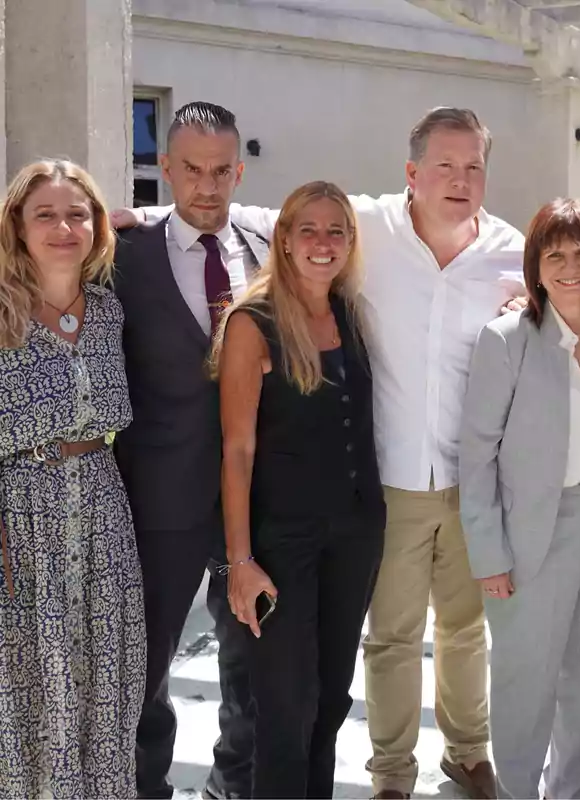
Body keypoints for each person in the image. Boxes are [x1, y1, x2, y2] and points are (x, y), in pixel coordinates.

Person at [120, 106, 580, 800]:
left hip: (472, 481)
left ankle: (466, 751)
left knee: (465, 631)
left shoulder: (513, 252)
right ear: (412, 172)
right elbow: (273, 212)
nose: (459, 180)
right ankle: (392, 772)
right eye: (444, 165)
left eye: (473, 166)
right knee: (391, 637)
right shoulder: (369, 229)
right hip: (386, 481)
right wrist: (142, 217)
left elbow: (568, 282)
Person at [112, 101, 264, 800]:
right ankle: (147, 788)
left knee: (252, 661)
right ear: (165, 169)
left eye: (222, 171)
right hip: (159, 492)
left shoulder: (265, 252)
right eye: (192, 170)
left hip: (255, 498)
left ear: (240, 170)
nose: (207, 186)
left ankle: (233, 786)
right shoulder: (121, 254)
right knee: (145, 665)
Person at [213, 181, 385, 797]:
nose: (322, 242)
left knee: (331, 700)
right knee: (285, 708)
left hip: (355, 535)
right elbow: (236, 450)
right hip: (281, 542)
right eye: (307, 229)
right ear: (282, 240)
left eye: (336, 230)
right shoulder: (251, 324)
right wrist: (239, 561)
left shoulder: (349, 313)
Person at [459, 198, 580, 799]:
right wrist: (489, 556)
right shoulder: (506, 338)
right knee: (524, 684)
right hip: (534, 529)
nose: (569, 266)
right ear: (535, 267)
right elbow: (476, 454)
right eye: (554, 254)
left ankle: (569, 792)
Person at [0, 159, 145, 797]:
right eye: (46, 214)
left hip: (103, 506)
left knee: (108, 673)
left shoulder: (111, 312)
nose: (64, 226)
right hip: (21, 515)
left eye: (77, 213)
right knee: (33, 678)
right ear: (18, 227)